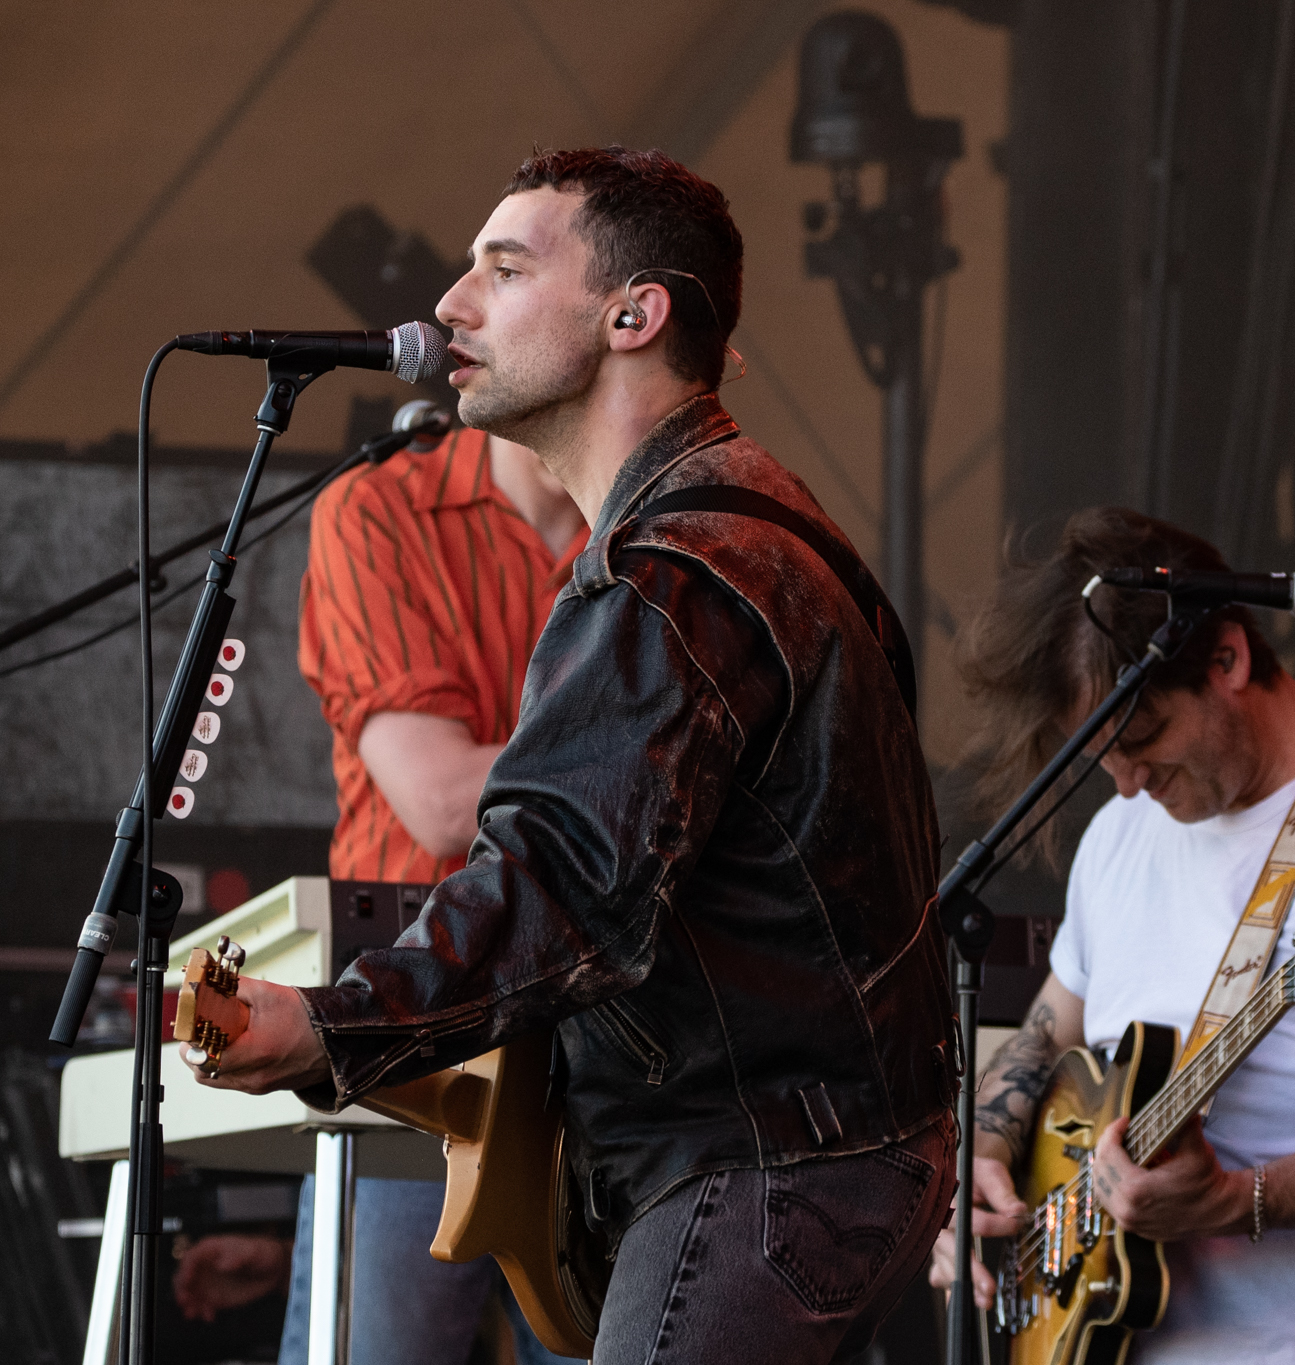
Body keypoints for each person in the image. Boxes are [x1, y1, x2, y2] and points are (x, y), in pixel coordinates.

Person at [187, 145, 955, 1365]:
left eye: (501, 268)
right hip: (810, 1152)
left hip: (754, 1165)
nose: (448, 306)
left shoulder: (675, 570)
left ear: (632, 314)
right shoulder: (759, 529)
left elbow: (561, 877)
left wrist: (334, 1025)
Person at [931, 507, 1295, 1364]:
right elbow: (1049, 1028)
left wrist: (1239, 1199)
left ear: (1229, 658)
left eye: (1143, 737)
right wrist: (985, 1148)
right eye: (1100, 758)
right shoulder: (1117, 837)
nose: (1127, 783)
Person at [283, 420, 589, 1364]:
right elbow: (442, 802)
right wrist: (641, 750)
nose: (459, 309)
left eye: (503, 266)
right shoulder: (377, 509)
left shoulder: (668, 526)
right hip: (415, 1039)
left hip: (610, 1041)